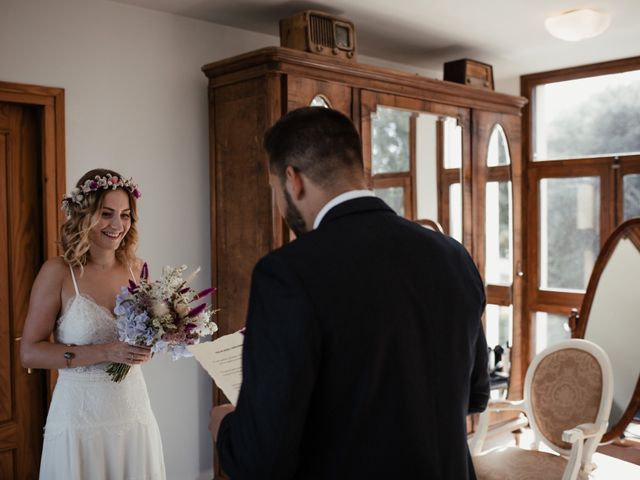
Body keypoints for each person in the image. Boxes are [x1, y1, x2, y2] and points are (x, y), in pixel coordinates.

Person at [209, 107, 489, 479]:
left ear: (293, 180)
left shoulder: (287, 273)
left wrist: (226, 427)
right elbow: (475, 396)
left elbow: (263, 458)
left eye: (274, 188)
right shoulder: (452, 255)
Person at [20, 168, 166, 479]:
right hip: (79, 418)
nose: (118, 225)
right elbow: (30, 353)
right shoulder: (58, 272)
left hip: (132, 411)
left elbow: (147, 338)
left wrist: (148, 349)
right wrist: (104, 352)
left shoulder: (137, 269)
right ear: (84, 215)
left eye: (125, 215)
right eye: (107, 213)